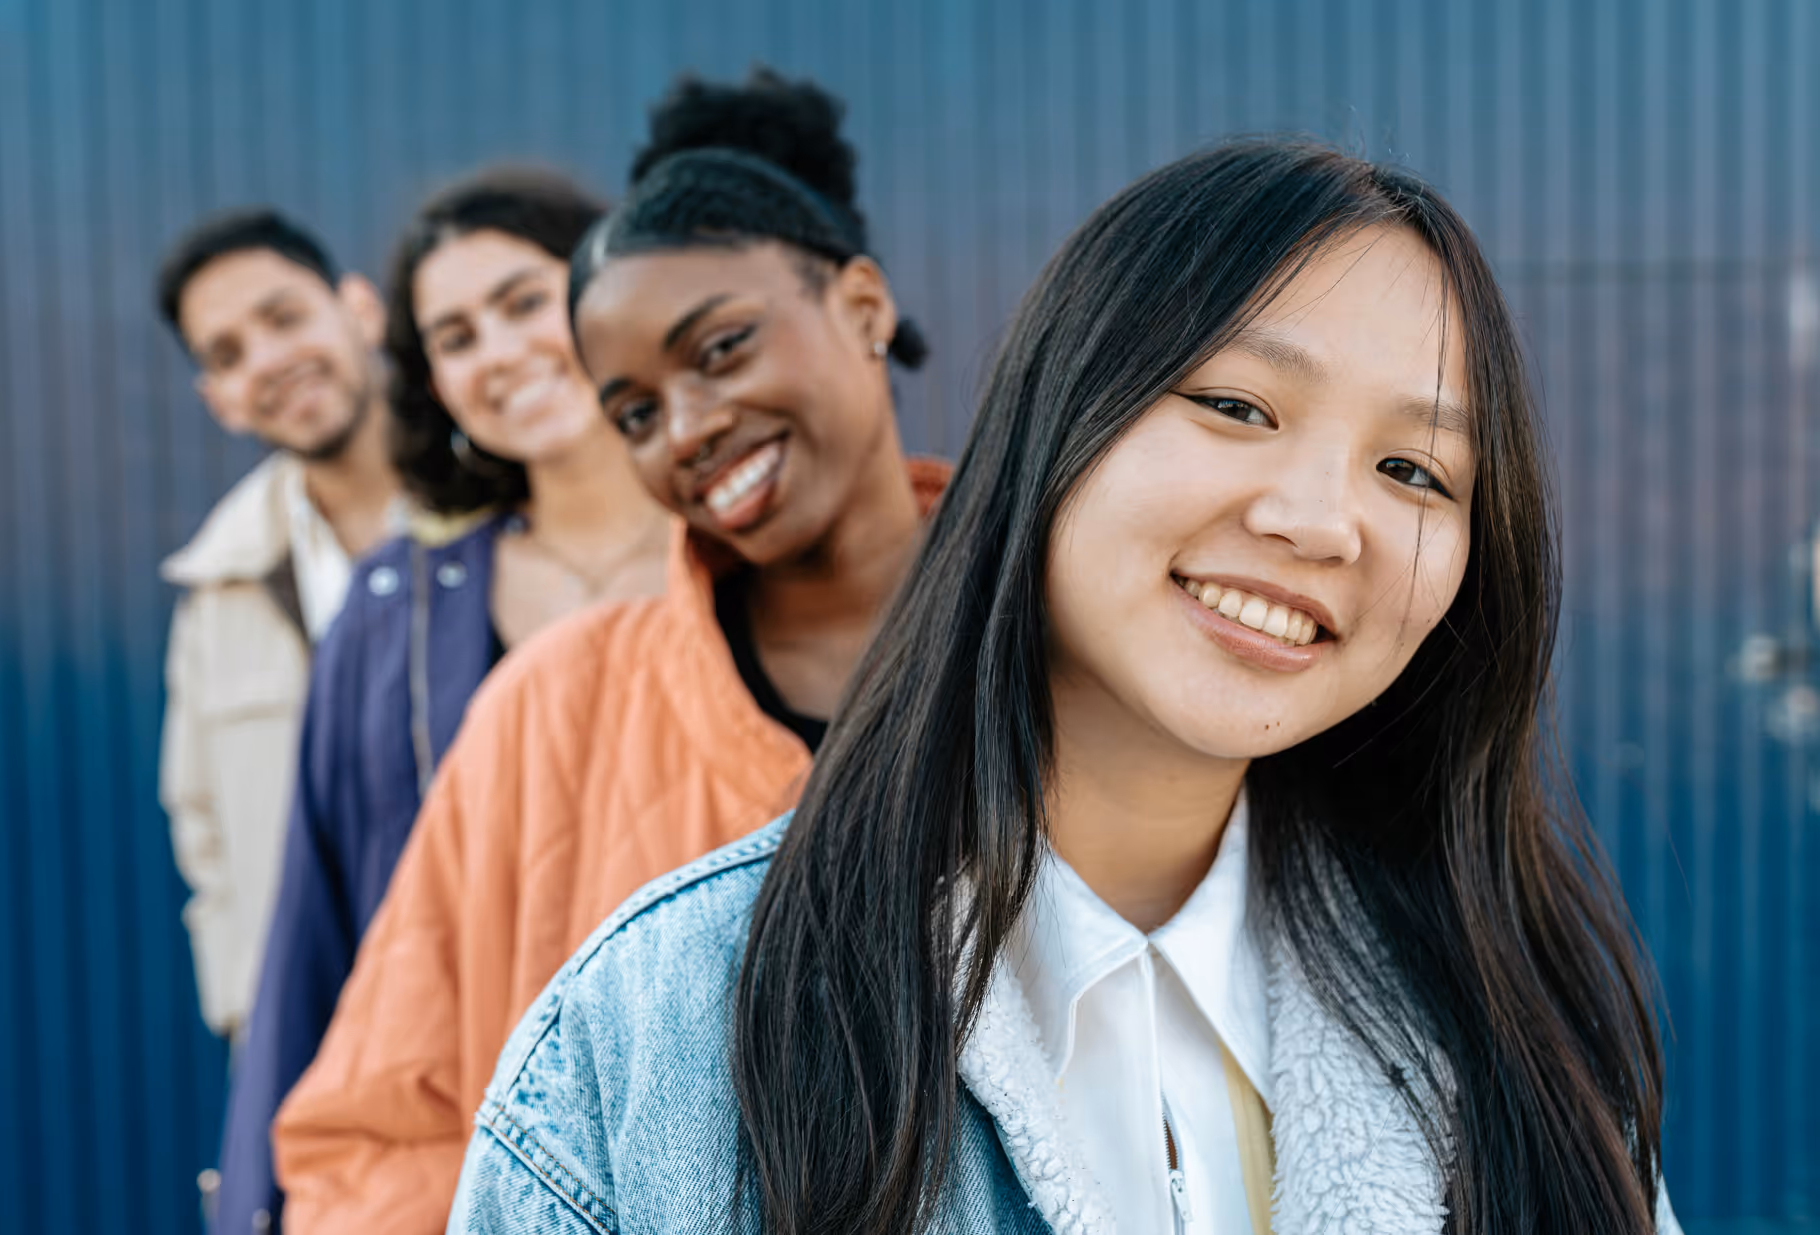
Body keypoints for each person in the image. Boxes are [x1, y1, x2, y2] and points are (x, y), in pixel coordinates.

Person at [449, 140, 1685, 1235]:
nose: (1320, 520)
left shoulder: (1514, 1034)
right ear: (1055, 418)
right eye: (1237, 404)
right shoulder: (661, 1029)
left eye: (1414, 469)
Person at [270, 68, 943, 1233]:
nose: (685, 428)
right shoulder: (548, 709)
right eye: (632, 409)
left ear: (862, 302)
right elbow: (380, 1130)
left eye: (722, 347)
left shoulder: (1072, 642)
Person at [211, 170, 671, 1235]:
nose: (499, 351)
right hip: (480, 1154)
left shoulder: (750, 557)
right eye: (454, 336)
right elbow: (317, 933)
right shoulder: (392, 613)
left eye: (523, 301)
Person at [155, 209, 404, 1042]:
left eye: (284, 317)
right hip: (322, 1044)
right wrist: (245, 1014)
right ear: (217, 399)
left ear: (359, 310)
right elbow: (204, 828)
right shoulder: (219, 585)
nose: (267, 360)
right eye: (227, 354)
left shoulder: (508, 522)